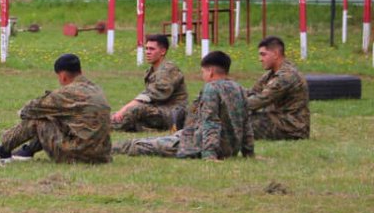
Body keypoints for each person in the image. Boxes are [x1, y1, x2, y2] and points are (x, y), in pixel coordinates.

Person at [113, 50, 254, 160]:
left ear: (210, 71)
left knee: (139, 145)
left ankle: (107, 148)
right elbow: (246, 124)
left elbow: (211, 122)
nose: (202, 76)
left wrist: (209, 155)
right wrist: (249, 153)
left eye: (203, 71)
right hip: (229, 148)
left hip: (196, 145)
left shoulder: (212, 88)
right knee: (153, 139)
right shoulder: (239, 88)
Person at [0, 53, 112, 164]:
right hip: (102, 155)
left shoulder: (65, 93)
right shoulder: (97, 89)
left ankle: (2, 149)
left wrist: (9, 133)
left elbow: (29, 110)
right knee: (57, 117)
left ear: (63, 76)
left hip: (79, 155)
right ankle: (28, 151)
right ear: (80, 71)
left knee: (39, 119)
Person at [111, 33, 187, 131]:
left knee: (135, 110)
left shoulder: (169, 70)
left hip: (172, 114)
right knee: (121, 114)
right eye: (146, 48)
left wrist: (124, 109)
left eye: (152, 49)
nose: (147, 52)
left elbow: (151, 95)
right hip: (158, 110)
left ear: (163, 51)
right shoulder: (151, 71)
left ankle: (108, 127)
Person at [247, 36, 310, 140]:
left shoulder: (287, 76)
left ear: (275, 54)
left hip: (291, 128)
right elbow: (252, 92)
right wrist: (230, 94)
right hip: (278, 120)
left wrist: (231, 105)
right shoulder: (272, 74)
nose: (260, 59)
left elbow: (260, 100)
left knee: (237, 124)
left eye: (263, 54)